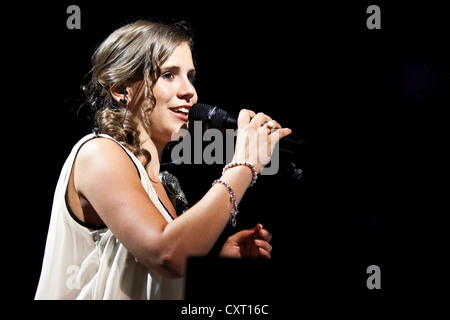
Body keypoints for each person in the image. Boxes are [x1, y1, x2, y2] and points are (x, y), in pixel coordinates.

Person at [35, 20, 291, 300]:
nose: (189, 92)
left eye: (190, 77)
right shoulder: (98, 153)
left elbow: (154, 279)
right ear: (122, 90)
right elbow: (166, 254)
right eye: (169, 75)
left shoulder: (166, 185)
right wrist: (245, 165)